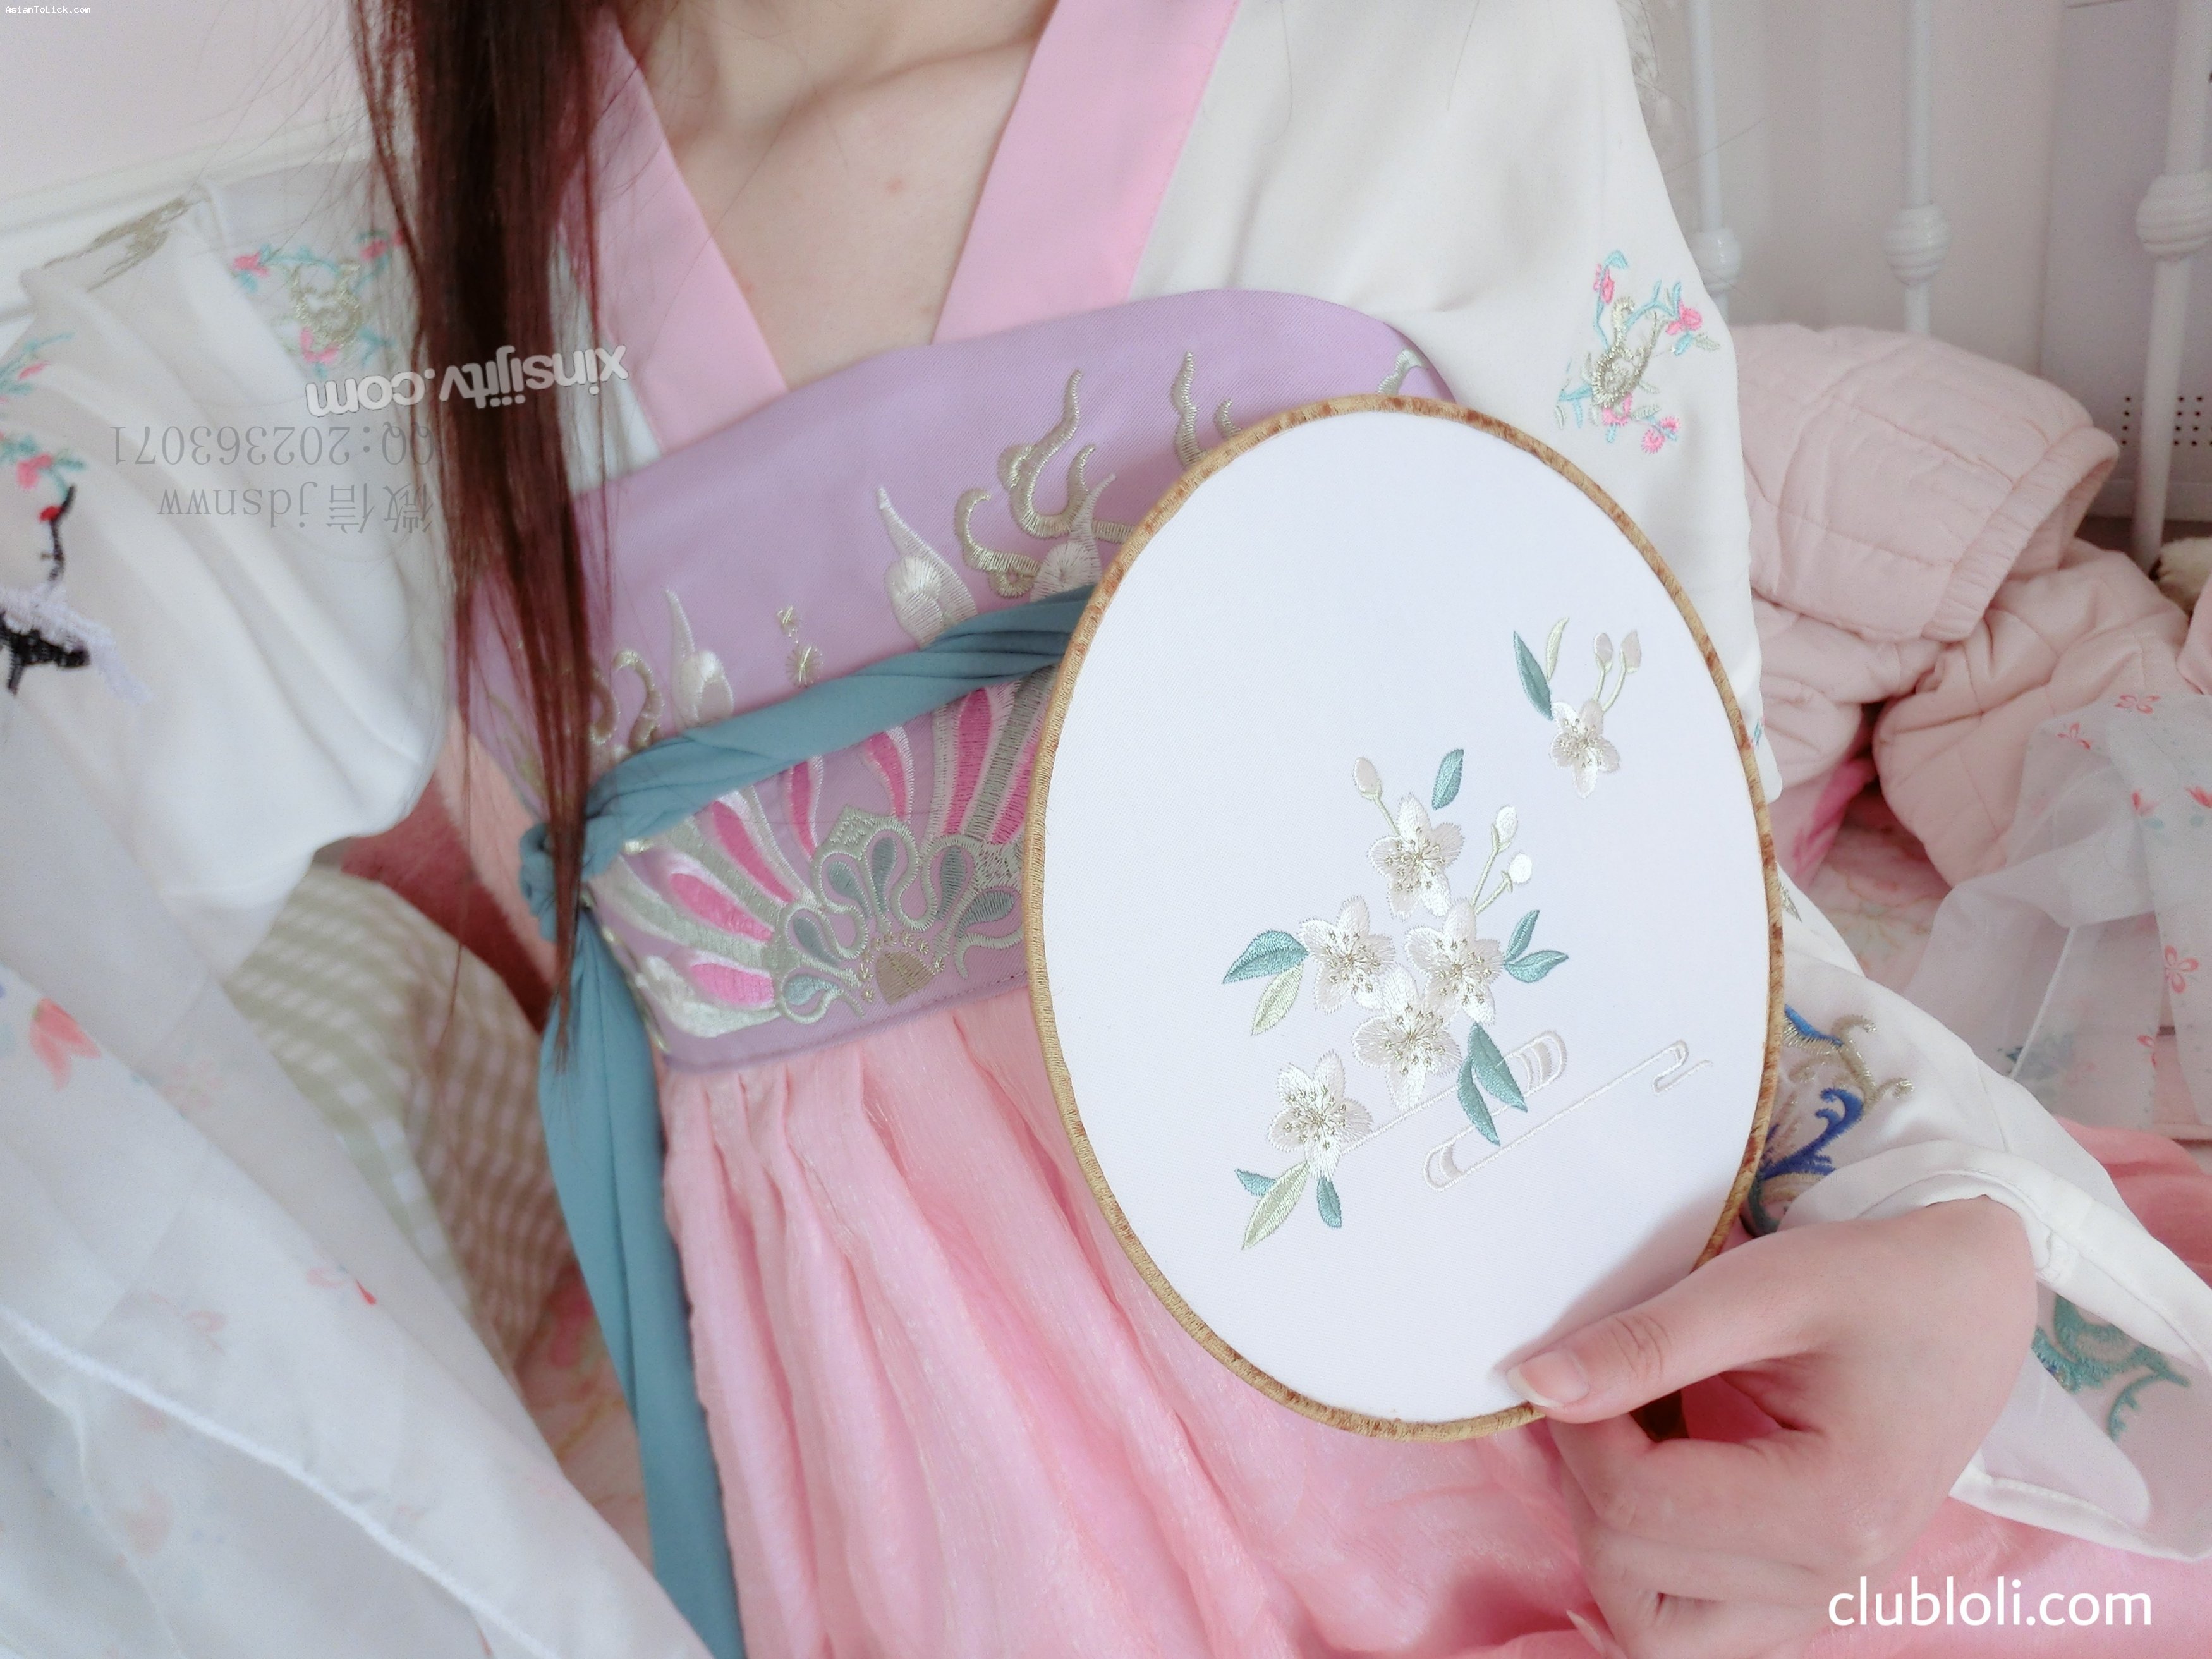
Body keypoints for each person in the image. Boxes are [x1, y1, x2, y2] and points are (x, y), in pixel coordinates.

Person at [4, 3, 2208, 1656]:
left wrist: (1925, 1228)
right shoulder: (340, 334)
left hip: (1552, 1438)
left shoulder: (1424, 59)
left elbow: (1669, 870)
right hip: (942, 1527)